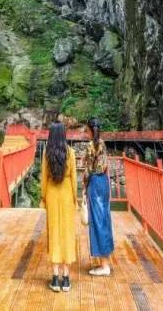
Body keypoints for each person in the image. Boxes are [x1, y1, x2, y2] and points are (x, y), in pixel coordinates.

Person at [40, 121, 77, 293]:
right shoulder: (71, 153)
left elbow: (44, 179)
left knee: (54, 233)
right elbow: (75, 179)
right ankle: (66, 278)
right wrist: (75, 199)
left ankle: (55, 279)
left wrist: (43, 198)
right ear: (63, 135)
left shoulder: (46, 154)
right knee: (67, 234)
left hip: (53, 195)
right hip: (67, 194)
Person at [83, 117, 114, 275]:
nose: (85, 133)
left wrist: (84, 185)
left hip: (94, 183)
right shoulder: (102, 143)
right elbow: (105, 164)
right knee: (104, 220)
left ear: (89, 130)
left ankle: (104, 266)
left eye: (86, 130)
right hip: (104, 182)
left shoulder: (90, 146)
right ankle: (106, 259)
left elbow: (88, 169)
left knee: (97, 222)